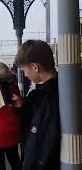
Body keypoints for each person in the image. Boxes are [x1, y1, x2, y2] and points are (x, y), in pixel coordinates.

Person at [13, 40, 60, 170]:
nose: (25, 75)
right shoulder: (59, 89)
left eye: (24, 70)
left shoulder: (46, 97)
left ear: (35, 67)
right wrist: (22, 106)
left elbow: (37, 141)